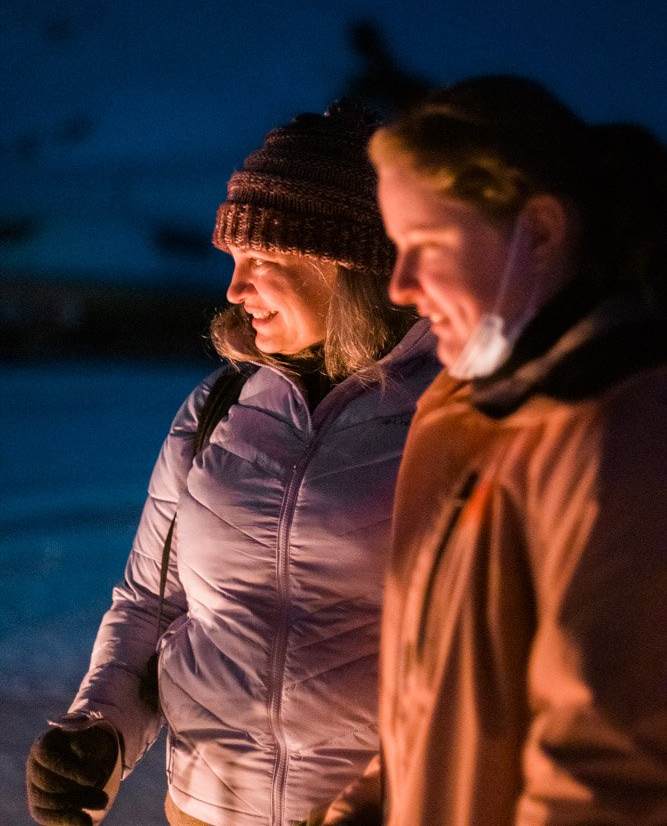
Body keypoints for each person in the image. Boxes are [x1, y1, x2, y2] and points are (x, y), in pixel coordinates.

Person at [25, 100, 440, 826]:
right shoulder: (216, 407)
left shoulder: (448, 413)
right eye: (232, 261)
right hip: (207, 806)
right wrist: (101, 730)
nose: (233, 289)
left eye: (263, 261)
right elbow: (151, 603)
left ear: (351, 267)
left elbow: (479, 642)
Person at [316, 76, 667, 826]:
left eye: (425, 246)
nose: (402, 287)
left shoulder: (621, 432)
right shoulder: (469, 411)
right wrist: (375, 802)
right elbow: (440, 685)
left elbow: (602, 774)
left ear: (539, 230)